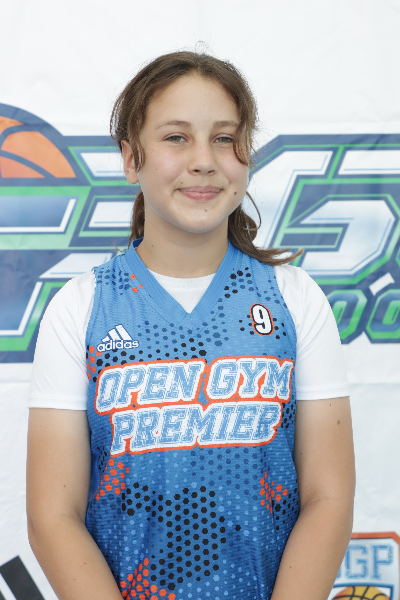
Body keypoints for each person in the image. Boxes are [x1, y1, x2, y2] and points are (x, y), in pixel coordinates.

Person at [26, 51, 355, 600]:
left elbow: (329, 497)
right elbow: (52, 515)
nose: (203, 161)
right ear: (131, 159)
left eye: (224, 138)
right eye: (176, 137)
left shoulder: (294, 300)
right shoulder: (81, 307)